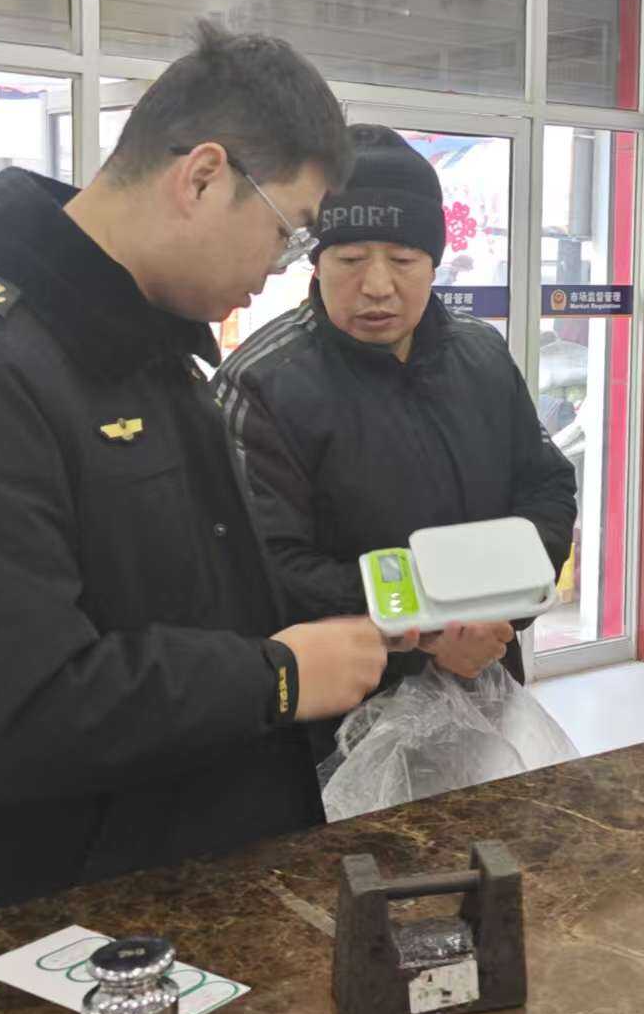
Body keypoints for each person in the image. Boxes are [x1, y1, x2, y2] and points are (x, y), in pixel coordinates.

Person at [0, 24, 399, 937]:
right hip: (47, 935)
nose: (277, 269)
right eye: (285, 232)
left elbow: (186, 593)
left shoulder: (147, 346)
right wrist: (277, 679)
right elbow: (10, 713)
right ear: (201, 177)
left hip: (190, 895)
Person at [216, 126, 578, 758]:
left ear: (435, 262)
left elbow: (545, 487)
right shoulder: (262, 384)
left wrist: (499, 614)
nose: (378, 285)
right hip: (331, 717)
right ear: (316, 261)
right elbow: (266, 564)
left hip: (484, 681)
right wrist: (429, 630)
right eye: (351, 259)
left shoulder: (482, 356)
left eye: (404, 260)